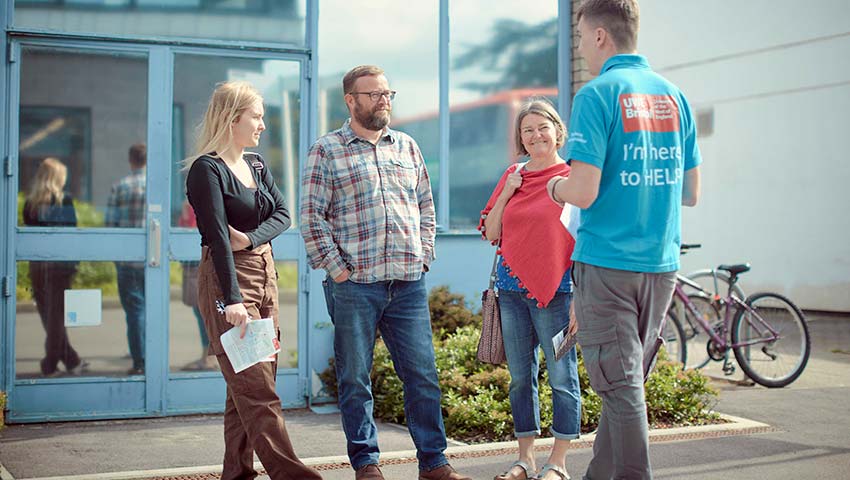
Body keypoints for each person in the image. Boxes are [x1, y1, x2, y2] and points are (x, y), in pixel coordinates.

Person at [547, 1, 702, 478]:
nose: (578, 47)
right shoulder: (675, 96)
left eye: (578, 37)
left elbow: (584, 192)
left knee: (620, 387)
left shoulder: (597, 96)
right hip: (660, 265)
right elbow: (691, 193)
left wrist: (554, 185)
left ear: (599, 37)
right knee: (625, 384)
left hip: (607, 265)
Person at [300, 65, 470, 480]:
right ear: (351, 100)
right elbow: (311, 216)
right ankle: (366, 463)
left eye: (387, 93)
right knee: (356, 379)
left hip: (408, 283)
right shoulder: (327, 149)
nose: (383, 100)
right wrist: (339, 271)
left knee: (423, 377)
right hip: (355, 286)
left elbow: (426, 207)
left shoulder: (407, 147)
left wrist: (424, 255)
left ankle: (434, 463)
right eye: (374, 94)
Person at [186, 80, 322, 480]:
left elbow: (283, 215)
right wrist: (232, 299)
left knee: (245, 388)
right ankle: (293, 474)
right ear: (232, 118)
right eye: (257, 116)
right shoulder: (206, 170)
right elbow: (218, 241)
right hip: (230, 281)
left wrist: (250, 237)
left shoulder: (257, 165)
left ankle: (237, 472)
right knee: (258, 390)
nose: (263, 124)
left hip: (264, 275)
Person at [479, 99, 581, 480]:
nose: (536, 135)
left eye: (542, 127)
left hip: (559, 294)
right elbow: (492, 231)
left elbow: (584, 242)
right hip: (510, 292)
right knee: (521, 377)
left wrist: (581, 299)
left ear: (557, 130)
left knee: (561, 377)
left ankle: (558, 463)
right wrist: (508, 190)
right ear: (520, 138)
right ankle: (525, 460)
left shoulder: (573, 178)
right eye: (527, 130)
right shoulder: (513, 174)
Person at [23, 157, 86, 377]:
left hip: (38, 264)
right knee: (57, 316)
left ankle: (71, 359)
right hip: (59, 265)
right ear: (57, 177)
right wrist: (75, 264)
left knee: (49, 315)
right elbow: (71, 234)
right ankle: (49, 364)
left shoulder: (31, 203)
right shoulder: (63, 200)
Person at [105, 143, 147, 375]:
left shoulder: (120, 187)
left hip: (127, 260)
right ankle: (152, 357)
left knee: (134, 312)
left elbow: (110, 225)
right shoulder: (155, 186)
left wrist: (116, 258)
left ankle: (139, 361)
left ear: (131, 160)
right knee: (151, 310)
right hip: (153, 261)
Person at [177, 201, 216, 371]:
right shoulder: (190, 204)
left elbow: (196, 233)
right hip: (194, 262)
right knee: (201, 311)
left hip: (201, 262)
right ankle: (208, 356)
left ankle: (210, 357)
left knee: (204, 311)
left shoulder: (198, 202)